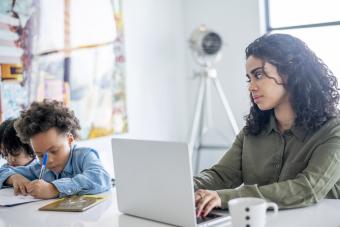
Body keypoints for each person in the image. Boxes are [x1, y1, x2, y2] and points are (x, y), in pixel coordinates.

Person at [193, 33, 340, 217]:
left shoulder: (333, 130)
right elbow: (221, 176)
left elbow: (307, 188)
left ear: (290, 72)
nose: (251, 87)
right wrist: (184, 187)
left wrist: (223, 197)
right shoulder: (253, 130)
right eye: (249, 78)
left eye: (259, 75)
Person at [0, 99, 111, 199]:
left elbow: (100, 177)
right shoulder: (39, 168)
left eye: (54, 151)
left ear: (69, 140)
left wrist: (54, 189)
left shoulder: (84, 156)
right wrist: (14, 177)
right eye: (40, 155)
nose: (48, 160)